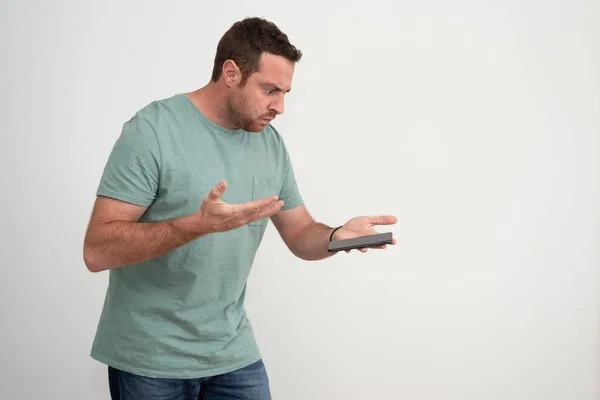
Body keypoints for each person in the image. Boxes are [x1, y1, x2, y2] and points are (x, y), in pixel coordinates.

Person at [83, 16, 397, 399]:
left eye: (285, 92)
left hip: (232, 355)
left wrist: (336, 237)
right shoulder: (153, 131)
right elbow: (97, 251)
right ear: (230, 72)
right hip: (150, 360)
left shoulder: (270, 145)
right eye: (270, 90)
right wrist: (196, 225)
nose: (279, 106)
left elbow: (299, 234)